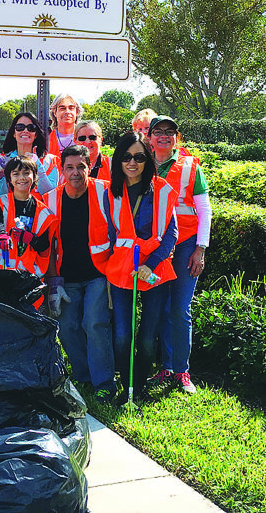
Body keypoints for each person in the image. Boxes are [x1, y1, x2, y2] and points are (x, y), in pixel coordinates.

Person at [103, 132, 179, 400]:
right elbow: (111, 235)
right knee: (122, 335)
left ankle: (140, 387)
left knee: (147, 337)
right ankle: (126, 388)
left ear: (147, 159)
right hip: (121, 270)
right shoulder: (109, 192)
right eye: (126, 157)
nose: (132, 163)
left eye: (138, 157)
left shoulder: (162, 189)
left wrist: (152, 263)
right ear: (118, 160)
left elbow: (171, 234)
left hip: (154, 269)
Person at [44, 145, 116, 403]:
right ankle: (85, 377)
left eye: (81, 167)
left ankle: (105, 383)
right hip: (66, 276)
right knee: (67, 327)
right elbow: (48, 246)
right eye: (70, 167)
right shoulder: (50, 199)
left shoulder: (105, 191)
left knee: (95, 323)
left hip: (99, 272)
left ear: (89, 166)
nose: (75, 173)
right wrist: (54, 283)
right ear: (62, 170)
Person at [146, 116, 212, 394]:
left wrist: (200, 248)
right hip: (156, 247)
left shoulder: (190, 166)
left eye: (169, 132)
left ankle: (182, 372)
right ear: (149, 137)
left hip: (185, 245)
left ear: (177, 137)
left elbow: (205, 209)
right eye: (158, 132)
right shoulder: (141, 163)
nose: (164, 136)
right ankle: (166, 368)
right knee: (160, 309)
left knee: (180, 309)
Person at [0, 155, 56, 278]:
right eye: (16, 174)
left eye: (26, 173)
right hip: (2, 271)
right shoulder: (1, 202)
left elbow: (45, 245)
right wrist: (2, 234)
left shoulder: (44, 211)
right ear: (9, 178)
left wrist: (31, 239)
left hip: (29, 276)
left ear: (35, 177)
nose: (22, 178)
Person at [0, 112, 59, 198]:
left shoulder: (50, 161)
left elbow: (51, 195)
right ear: (14, 133)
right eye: (20, 127)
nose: (25, 131)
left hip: (41, 210)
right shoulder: (3, 161)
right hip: (11, 210)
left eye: (31, 128)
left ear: (36, 134)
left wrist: (38, 167)